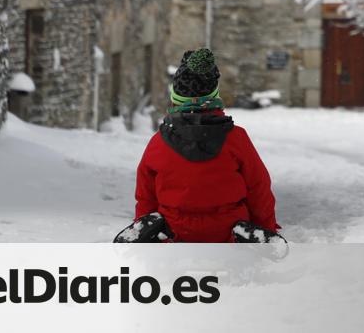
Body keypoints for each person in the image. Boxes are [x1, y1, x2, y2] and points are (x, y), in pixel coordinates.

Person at [114, 48, 283, 243]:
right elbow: (258, 190)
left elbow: (146, 197)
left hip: (174, 234)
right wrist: (266, 230)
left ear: (175, 97)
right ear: (214, 95)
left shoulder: (158, 143)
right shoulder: (236, 139)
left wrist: (145, 230)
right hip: (228, 233)